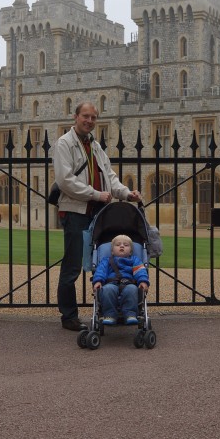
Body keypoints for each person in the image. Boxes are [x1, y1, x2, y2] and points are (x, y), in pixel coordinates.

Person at [53, 101, 141, 331]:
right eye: (85, 116)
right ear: (75, 117)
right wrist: (95, 194)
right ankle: (69, 316)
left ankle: (112, 309)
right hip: (75, 211)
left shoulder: (95, 145)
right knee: (72, 266)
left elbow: (109, 177)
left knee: (103, 261)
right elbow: (65, 181)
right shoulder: (64, 143)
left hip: (98, 212)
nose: (89, 121)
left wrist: (126, 193)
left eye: (93, 117)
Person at [92, 234, 149, 326]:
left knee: (132, 290)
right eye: (118, 245)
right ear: (112, 251)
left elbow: (140, 272)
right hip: (110, 283)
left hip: (129, 283)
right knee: (107, 290)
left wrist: (143, 281)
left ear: (130, 251)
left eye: (126, 245)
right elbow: (100, 271)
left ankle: (130, 313)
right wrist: (98, 281)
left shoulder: (135, 260)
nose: (122, 246)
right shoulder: (107, 260)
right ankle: (109, 314)